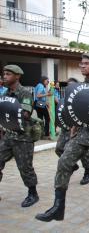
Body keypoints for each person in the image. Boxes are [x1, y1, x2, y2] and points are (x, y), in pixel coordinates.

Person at [36, 53, 89, 224]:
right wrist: (73, 124)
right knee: (64, 162)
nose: (82, 66)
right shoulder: (79, 87)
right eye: (81, 64)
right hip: (81, 134)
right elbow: (75, 109)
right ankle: (58, 206)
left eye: (86, 63)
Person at [0, 65, 41, 207]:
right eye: (4, 74)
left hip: (23, 138)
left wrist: (9, 108)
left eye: (8, 74)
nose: (4, 76)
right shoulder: (5, 94)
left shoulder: (24, 93)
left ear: (17, 76)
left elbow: (25, 114)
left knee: (25, 167)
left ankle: (32, 193)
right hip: (9, 136)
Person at [54, 77, 89, 186]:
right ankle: (73, 165)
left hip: (79, 131)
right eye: (67, 86)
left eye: (71, 86)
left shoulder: (81, 100)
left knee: (84, 153)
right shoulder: (63, 99)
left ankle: (87, 173)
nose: (68, 88)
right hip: (65, 130)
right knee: (59, 149)